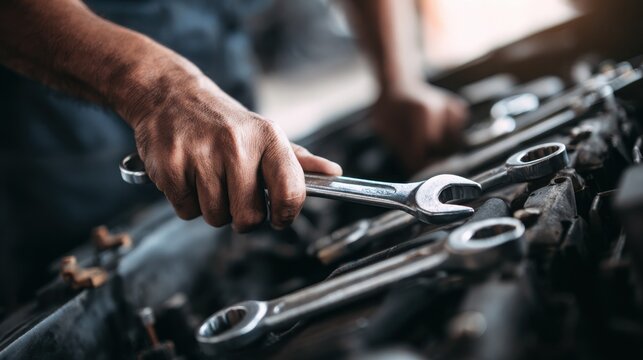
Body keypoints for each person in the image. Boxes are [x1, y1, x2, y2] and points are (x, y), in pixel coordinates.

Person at [0, 0, 468, 308]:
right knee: (83, 301)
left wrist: (399, 77)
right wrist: (161, 88)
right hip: (55, 105)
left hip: (213, 51)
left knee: (230, 233)